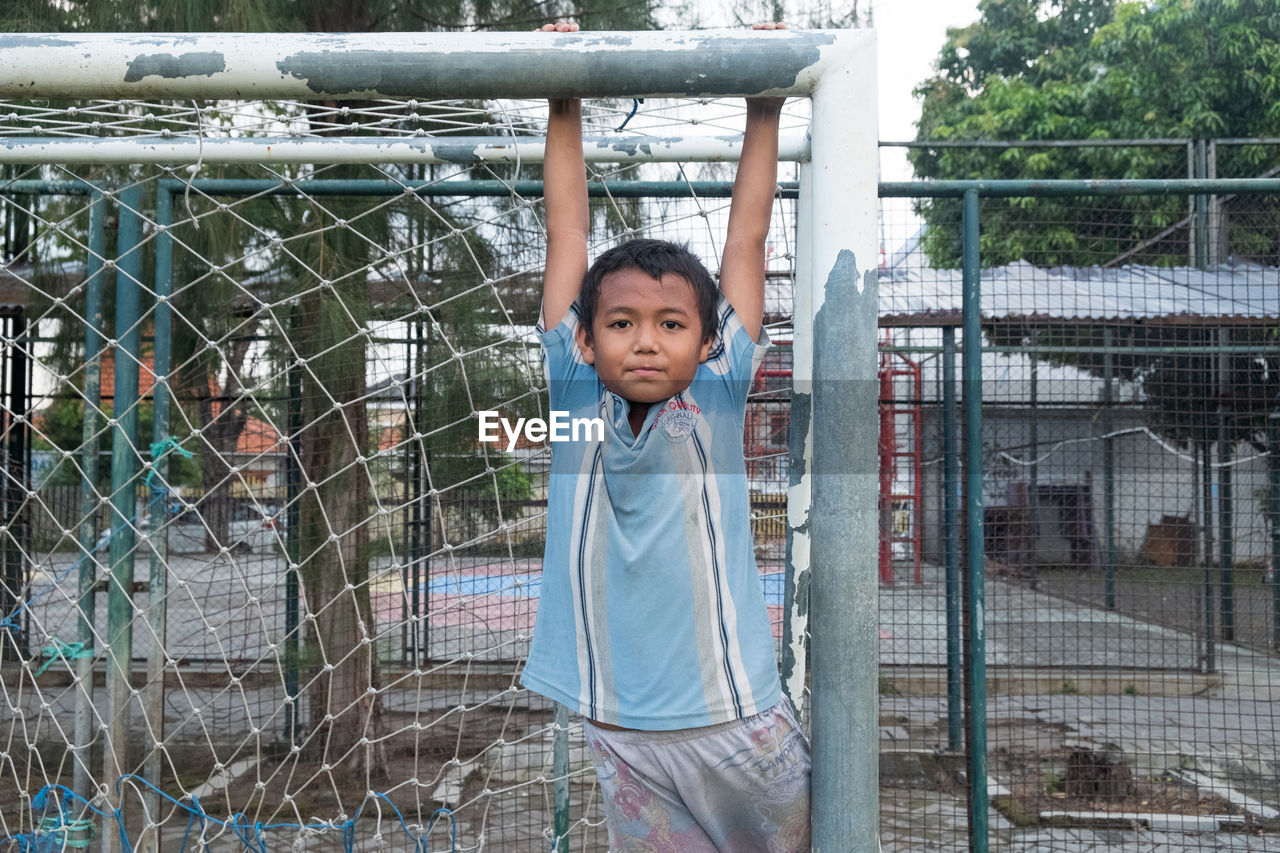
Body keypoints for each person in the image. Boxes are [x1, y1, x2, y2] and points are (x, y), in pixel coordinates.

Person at [521, 20, 811, 852]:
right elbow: (567, 235)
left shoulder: (716, 398)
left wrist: (765, 104)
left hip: (737, 725)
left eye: (671, 322)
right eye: (622, 322)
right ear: (586, 337)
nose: (645, 340)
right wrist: (562, 93)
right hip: (620, 732)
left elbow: (746, 240)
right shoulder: (576, 396)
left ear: (707, 339)